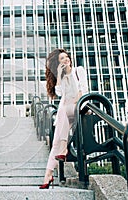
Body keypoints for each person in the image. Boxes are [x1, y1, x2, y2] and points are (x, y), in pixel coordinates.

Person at [39, 49, 88, 189]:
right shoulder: (62, 77)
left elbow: (83, 90)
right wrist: (60, 75)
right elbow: (60, 94)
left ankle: (63, 148)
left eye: (67, 57)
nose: (66, 59)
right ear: (58, 63)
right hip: (65, 112)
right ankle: (48, 175)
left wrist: (75, 100)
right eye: (62, 58)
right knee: (55, 143)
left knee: (63, 112)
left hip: (79, 108)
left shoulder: (78, 71)